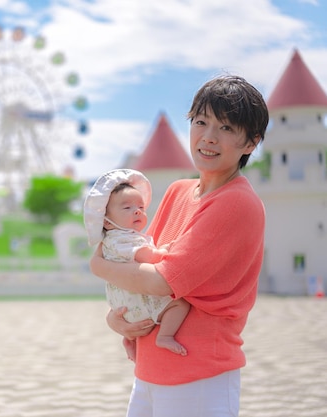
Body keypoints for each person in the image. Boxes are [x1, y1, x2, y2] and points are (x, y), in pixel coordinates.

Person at [90, 75, 269, 417]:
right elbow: (130, 261)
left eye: (227, 128)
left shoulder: (236, 202)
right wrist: (117, 320)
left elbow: (161, 280)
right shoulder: (177, 191)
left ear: (251, 142)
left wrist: (96, 266)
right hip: (150, 370)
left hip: (198, 374)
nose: (208, 137)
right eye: (201, 122)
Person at [83, 169, 190, 361]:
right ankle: (165, 336)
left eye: (141, 207)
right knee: (179, 305)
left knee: (138, 317)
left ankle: (129, 341)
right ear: (106, 222)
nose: (137, 211)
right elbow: (146, 256)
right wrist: (164, 252)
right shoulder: (121, 238)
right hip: (138, 303)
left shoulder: (113, 240)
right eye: (127, 208)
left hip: (124, 306)